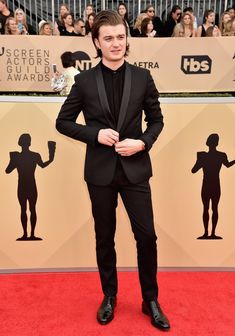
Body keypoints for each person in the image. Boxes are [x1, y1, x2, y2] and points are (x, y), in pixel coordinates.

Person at [56, 10, 170, 331]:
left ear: (126, 39)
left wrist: (143, 143)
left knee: (146, 236)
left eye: (120, 37)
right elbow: (62, 122)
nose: (116, 43)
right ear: (96, 42)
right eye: (108, 38)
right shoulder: (84, 81)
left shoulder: (143, 77)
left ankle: (150, 299)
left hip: (135, 170)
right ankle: (109, 296)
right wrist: (95, 134)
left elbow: (157, 120)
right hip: (100, 173)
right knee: (104, 238)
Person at [5, 134, 56, 241]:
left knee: (25, 209)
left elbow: (8, 170)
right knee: (30, 209)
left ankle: (27, 234)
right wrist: (51, 158)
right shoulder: (33, 156)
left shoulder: (19, 156)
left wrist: (13, 159)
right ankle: (29, 234)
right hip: (30, 185)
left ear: (20, 142)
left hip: (24, 185)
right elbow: (43, 165)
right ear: (29, 142)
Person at [191, 134, 235, 239]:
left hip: (207, 184)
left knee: (207, 208)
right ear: (217, 143)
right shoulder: (220, 155)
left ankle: (207, 233)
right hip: (215, 184)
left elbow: (194, 170)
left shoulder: (203, 156)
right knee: (213, 208)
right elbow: (228, 165)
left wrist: (200, 160)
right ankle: (211, 233)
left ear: (208, 142)